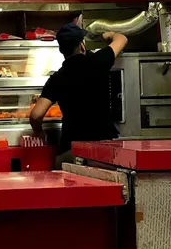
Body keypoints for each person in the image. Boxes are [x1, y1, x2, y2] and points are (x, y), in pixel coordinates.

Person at [29, 23, 128, 169]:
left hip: (72, 150)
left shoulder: (57, 78)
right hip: (103, 151)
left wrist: (39, 131)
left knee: (71, 190)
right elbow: (122, 39)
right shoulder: (99, 61)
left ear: (62, 50)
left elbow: (36, 115)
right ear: (82, 45)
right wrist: (108, 35)